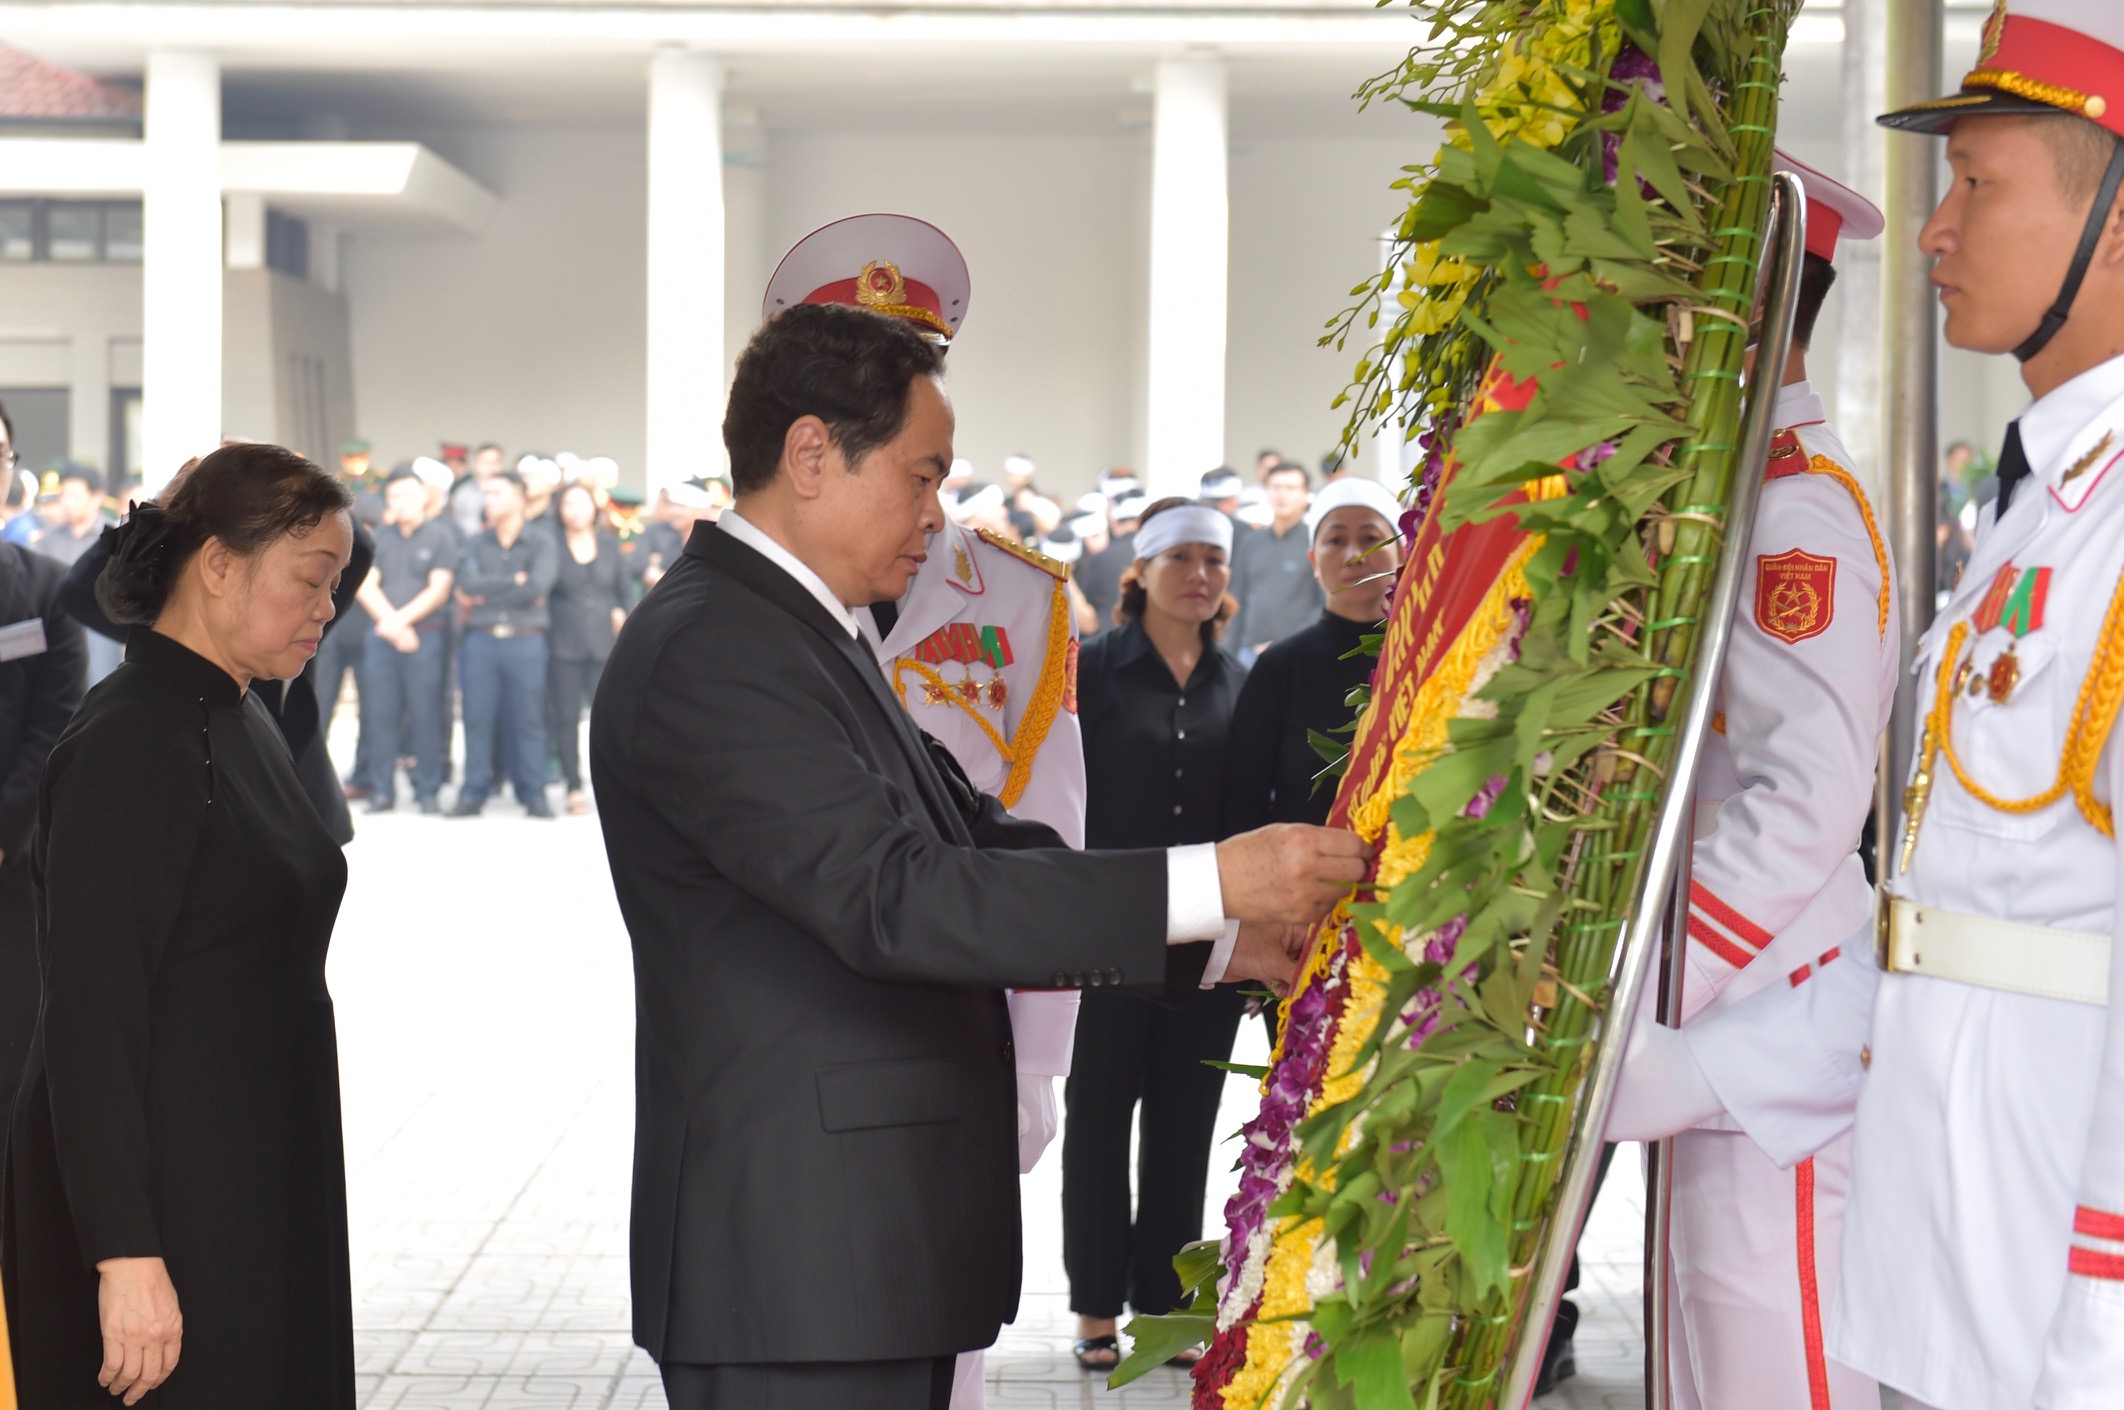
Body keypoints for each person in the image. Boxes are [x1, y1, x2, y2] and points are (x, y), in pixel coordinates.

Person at [589, 301, 1365, 1410]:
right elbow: (897, 896)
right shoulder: (716, 649)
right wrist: (1213, 878)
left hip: (856, 1256)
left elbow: (976, 836)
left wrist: (1222, 939)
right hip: (797, 1269)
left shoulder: (809, 628)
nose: (935, 513)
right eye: (920, 475)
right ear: (811, 454)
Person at [1744, 14, 2124, 1406]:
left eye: (1981, 183)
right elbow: (1953, 929)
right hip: (1951, 1274)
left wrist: (2102, 1330)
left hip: (2055, 1309)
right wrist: (1667, 1070)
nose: (1935, 232)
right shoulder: (2043, 512)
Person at [1599, 152, 1896, 1410]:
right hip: (1721, 1021)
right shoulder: (1734, 501)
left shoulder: (1797, 519)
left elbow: (1808, 801)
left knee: (1769, 1367)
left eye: (1677, 287)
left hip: (1762, 1013)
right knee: (1707, 1363)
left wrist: (1651, 983)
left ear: (1753, 302)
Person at [1, 443, 356, 1407]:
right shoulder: (132, 740)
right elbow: (90, 1019)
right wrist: (123, 1254)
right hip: (164, 1195)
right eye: (312, 583)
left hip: (249, 1163)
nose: (330, 607)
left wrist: (224, 501)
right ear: (217, 565)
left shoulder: (239, 710)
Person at [1061, 496, 1251, 1373]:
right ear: (1140, 571)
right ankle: (1096, 1306)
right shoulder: (1092, 670)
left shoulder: (1239, 684)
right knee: (1099, 1117)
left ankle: (1170, 1307)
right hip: (1105, 932)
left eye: (1214, 560)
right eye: (1181, 559)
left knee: (1184, 1124)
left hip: (1205, 941)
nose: (1199, 576)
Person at [0, 534, 87, 1145]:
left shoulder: (46, 586)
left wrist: (5, 828)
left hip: (14, 851)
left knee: (14, 1046)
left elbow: (57, 720)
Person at [450, 470, 557, 817]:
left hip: (525, 643)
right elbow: (467, 584)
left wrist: (486, 591)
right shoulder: (476, 542)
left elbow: (537, 588)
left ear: (519, 499)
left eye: (497, 493)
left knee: (528, 719)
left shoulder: (542, 541)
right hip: (481, 642)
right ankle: (473, 792)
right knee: (476, 717)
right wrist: (513, 580)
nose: (488, 500)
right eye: (487, 493)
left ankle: (533, 791)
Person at [355, 467, 455, 814]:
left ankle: (427, 790)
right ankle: (382, 791)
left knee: (425, 714)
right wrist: (393, 624)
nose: (402, 502)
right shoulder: (378, 537)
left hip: (424, 639)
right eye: (395, 496)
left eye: (408, 494)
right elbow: (366, 584)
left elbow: (439, 589)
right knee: (380, 713)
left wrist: (401, 621)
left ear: (423, 496)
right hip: (384, 637)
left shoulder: (440, 536)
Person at [546, 480, 628, 815]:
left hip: (603, 645)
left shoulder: (609, 545)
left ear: (595, 508)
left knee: (607, 719)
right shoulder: (550, 544)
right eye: (569, 504)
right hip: (563, 642)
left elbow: (624, 591)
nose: (576, 511)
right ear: (559, 510)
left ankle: (612, 786)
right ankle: (573, 786)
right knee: (566, 718)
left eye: (582, 503)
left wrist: (624, 614)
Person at [28, 464, 121, 686]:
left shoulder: (111, 540)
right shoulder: (48, 540)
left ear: (96, 497)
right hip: (56, 633)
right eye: (64, 495)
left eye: (74, 496)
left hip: (98, 635)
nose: (67, 503)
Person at [1227, 460, 1321, 657]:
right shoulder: (1251, 542)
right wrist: (1227, 653)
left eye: (1291, 488)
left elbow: (1323, 605)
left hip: (1298, 651)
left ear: (1306, 494)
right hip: (1247, 651)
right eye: (1275, 487)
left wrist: (1284, 642)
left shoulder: (1316, 543)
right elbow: (1236, 598)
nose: (1282, 494)